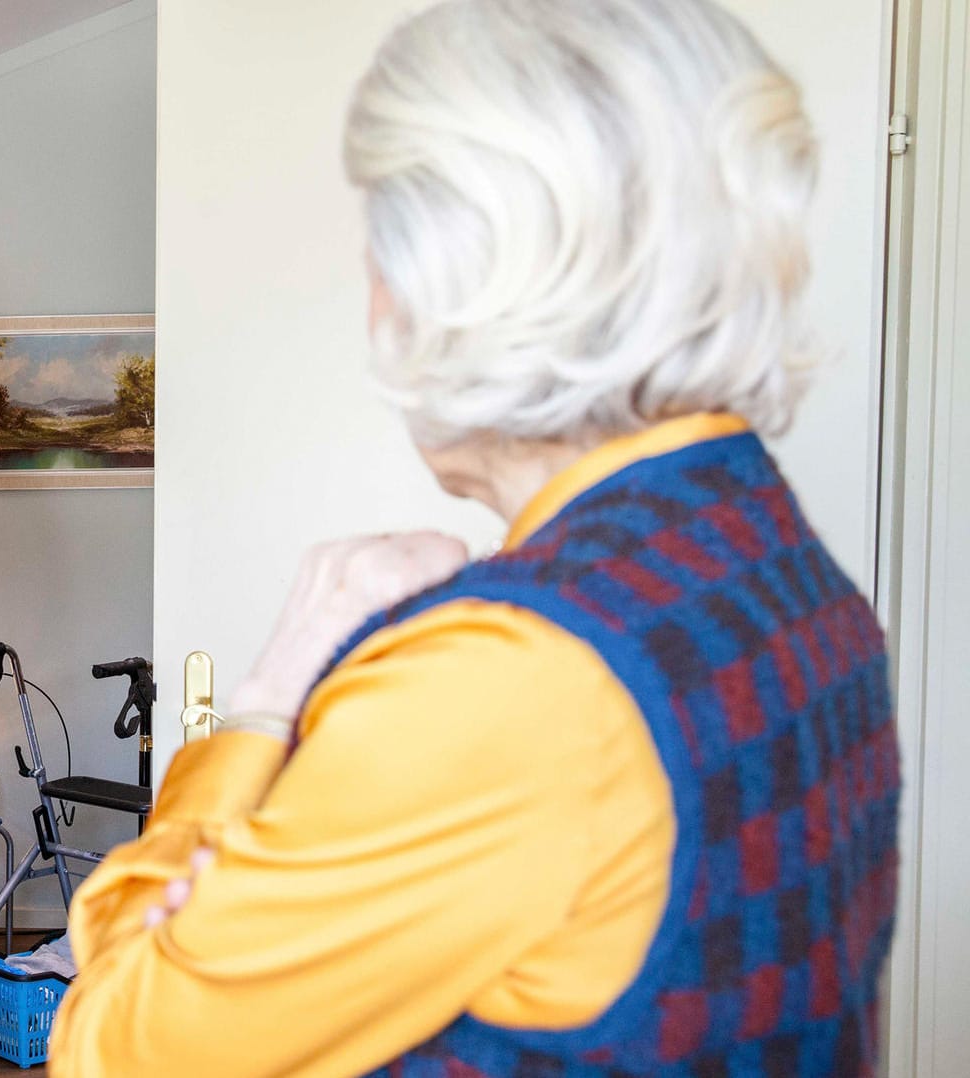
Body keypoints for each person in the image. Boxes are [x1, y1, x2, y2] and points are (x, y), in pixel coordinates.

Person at [49, 1, 898, 1075]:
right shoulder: (803, 578)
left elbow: (115, 1048)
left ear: (457, 288)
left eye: (380, 255)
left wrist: (268, 693)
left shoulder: (501, 677)